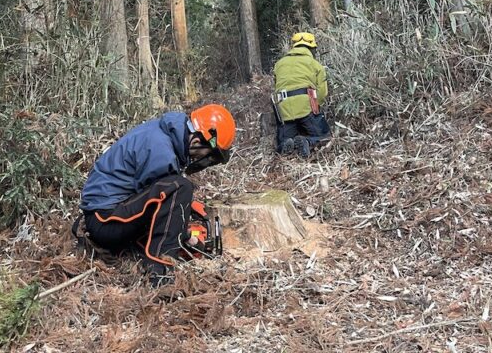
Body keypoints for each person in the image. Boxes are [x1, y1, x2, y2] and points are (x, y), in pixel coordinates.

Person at [77, 103, 235, 286]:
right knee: (181, 187)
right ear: (196, 141)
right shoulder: (160, 149)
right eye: (208, 156)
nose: (202, 161)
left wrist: (186, 209)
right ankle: (160, 271)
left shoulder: (163, 135)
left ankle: (145, 252)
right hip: (104, 220)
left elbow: (151, 197)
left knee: (178, 190)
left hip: (108, 213)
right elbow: (162, 202)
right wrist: (188, 237)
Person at [273, 31, 331, 158]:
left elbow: (276, 86)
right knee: (324, 136)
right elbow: (322, 92)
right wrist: (316, 109)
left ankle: (285, 144)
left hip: (284, 111)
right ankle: (308, 141)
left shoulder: (279, 64)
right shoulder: (315, 65)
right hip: (306, 108)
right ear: (312, 48)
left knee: (283, 140)